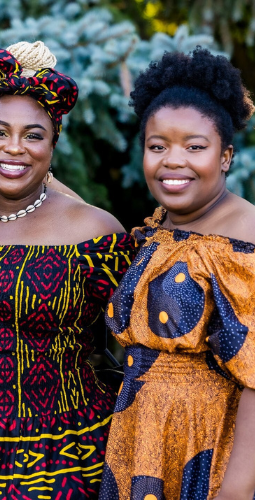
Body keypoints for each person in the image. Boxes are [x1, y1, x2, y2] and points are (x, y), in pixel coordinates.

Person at [0, 41, 135, 499]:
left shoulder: (94, 231)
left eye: (33, 135)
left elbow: (146, 342)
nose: (14, 148)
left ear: (52, 146)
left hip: (58, 459)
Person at [99, 48, 255, 499]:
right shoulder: (162, 229)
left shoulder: (243, 239)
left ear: (225, 156)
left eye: (194, 146)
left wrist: (237, 490)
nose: (173, 160)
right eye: (157, 146)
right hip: (139, 438)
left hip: (204, 447)